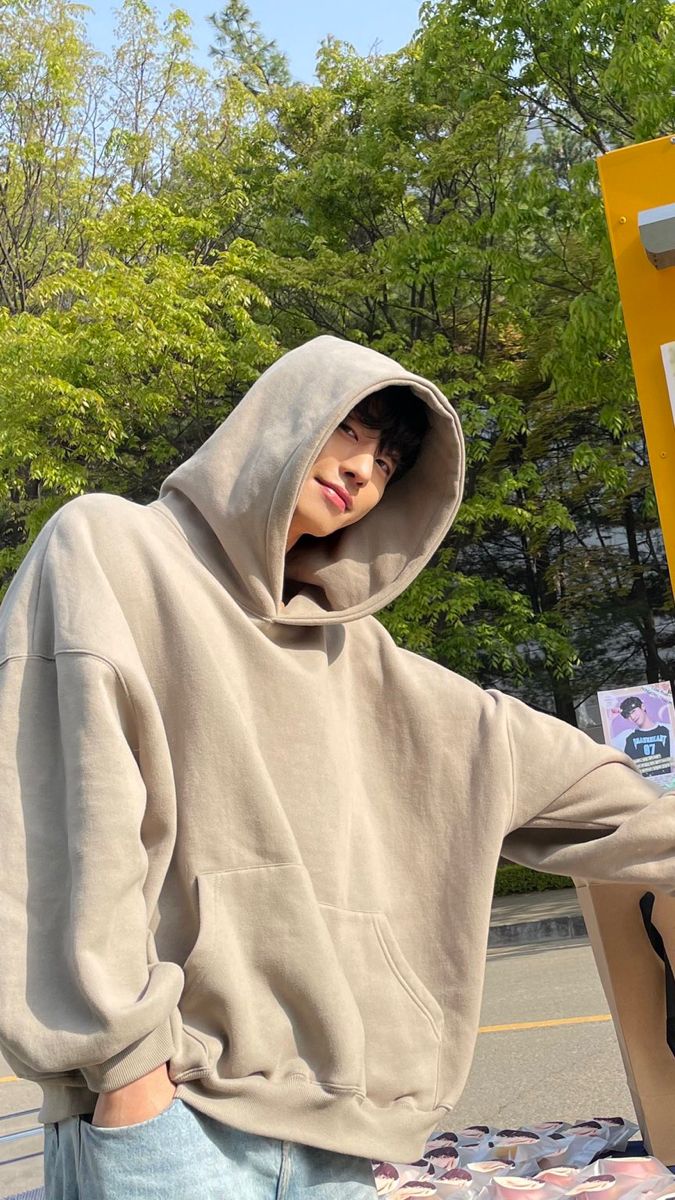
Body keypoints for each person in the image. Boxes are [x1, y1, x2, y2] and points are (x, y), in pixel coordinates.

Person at [0, 335, 673, 1200]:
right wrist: (124, 1073)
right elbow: (50, 826)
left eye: (388, 460)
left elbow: (576, 786)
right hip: (168, 1128)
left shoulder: (368, 663)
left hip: (339, 1146)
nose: (362, 468)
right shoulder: (109, 549)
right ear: (280, 420)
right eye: (349, 428)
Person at [619, 695, 672, 778]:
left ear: (642, 706)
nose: (632, 717)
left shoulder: (667, 730)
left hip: (667, 782)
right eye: (628, 716)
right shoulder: (629, 737)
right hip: (645, 785)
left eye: (633, 711)